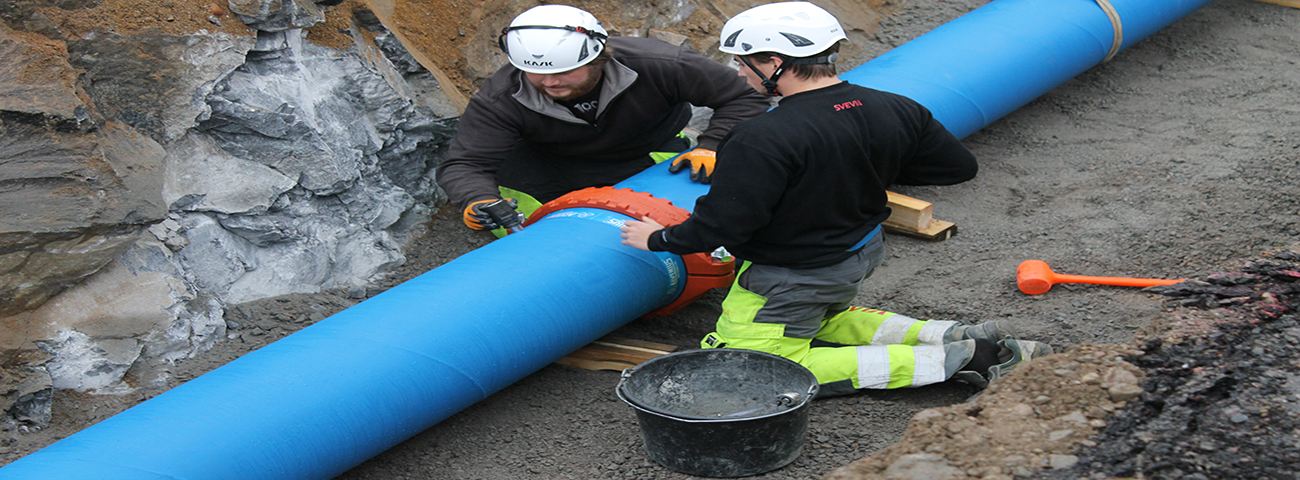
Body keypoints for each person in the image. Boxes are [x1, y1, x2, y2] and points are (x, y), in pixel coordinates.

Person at [620, 1, 1051, 396]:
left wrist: (658, 239)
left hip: (793, 271)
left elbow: (725, 226)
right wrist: (863, 167)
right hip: (857, 251)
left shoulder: (761, 137)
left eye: (742, 61)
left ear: (774, 62)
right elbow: (958, 167)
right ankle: (957, 335)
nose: (738, 73)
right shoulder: (893, 106)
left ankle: (970, 359)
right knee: (826, 315)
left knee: (756, 367)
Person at [437, 4, 771, 234]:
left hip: (649, 151)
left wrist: (713, 145)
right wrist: (477, 199)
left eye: (566, 72)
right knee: (529, 224)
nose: (550, 82)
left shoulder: (658, 64)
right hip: (554, 165)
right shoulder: (503, 95)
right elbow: (465, 164)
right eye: (536, 75)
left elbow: (744, 95)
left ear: (599, 58)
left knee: (710, 198)